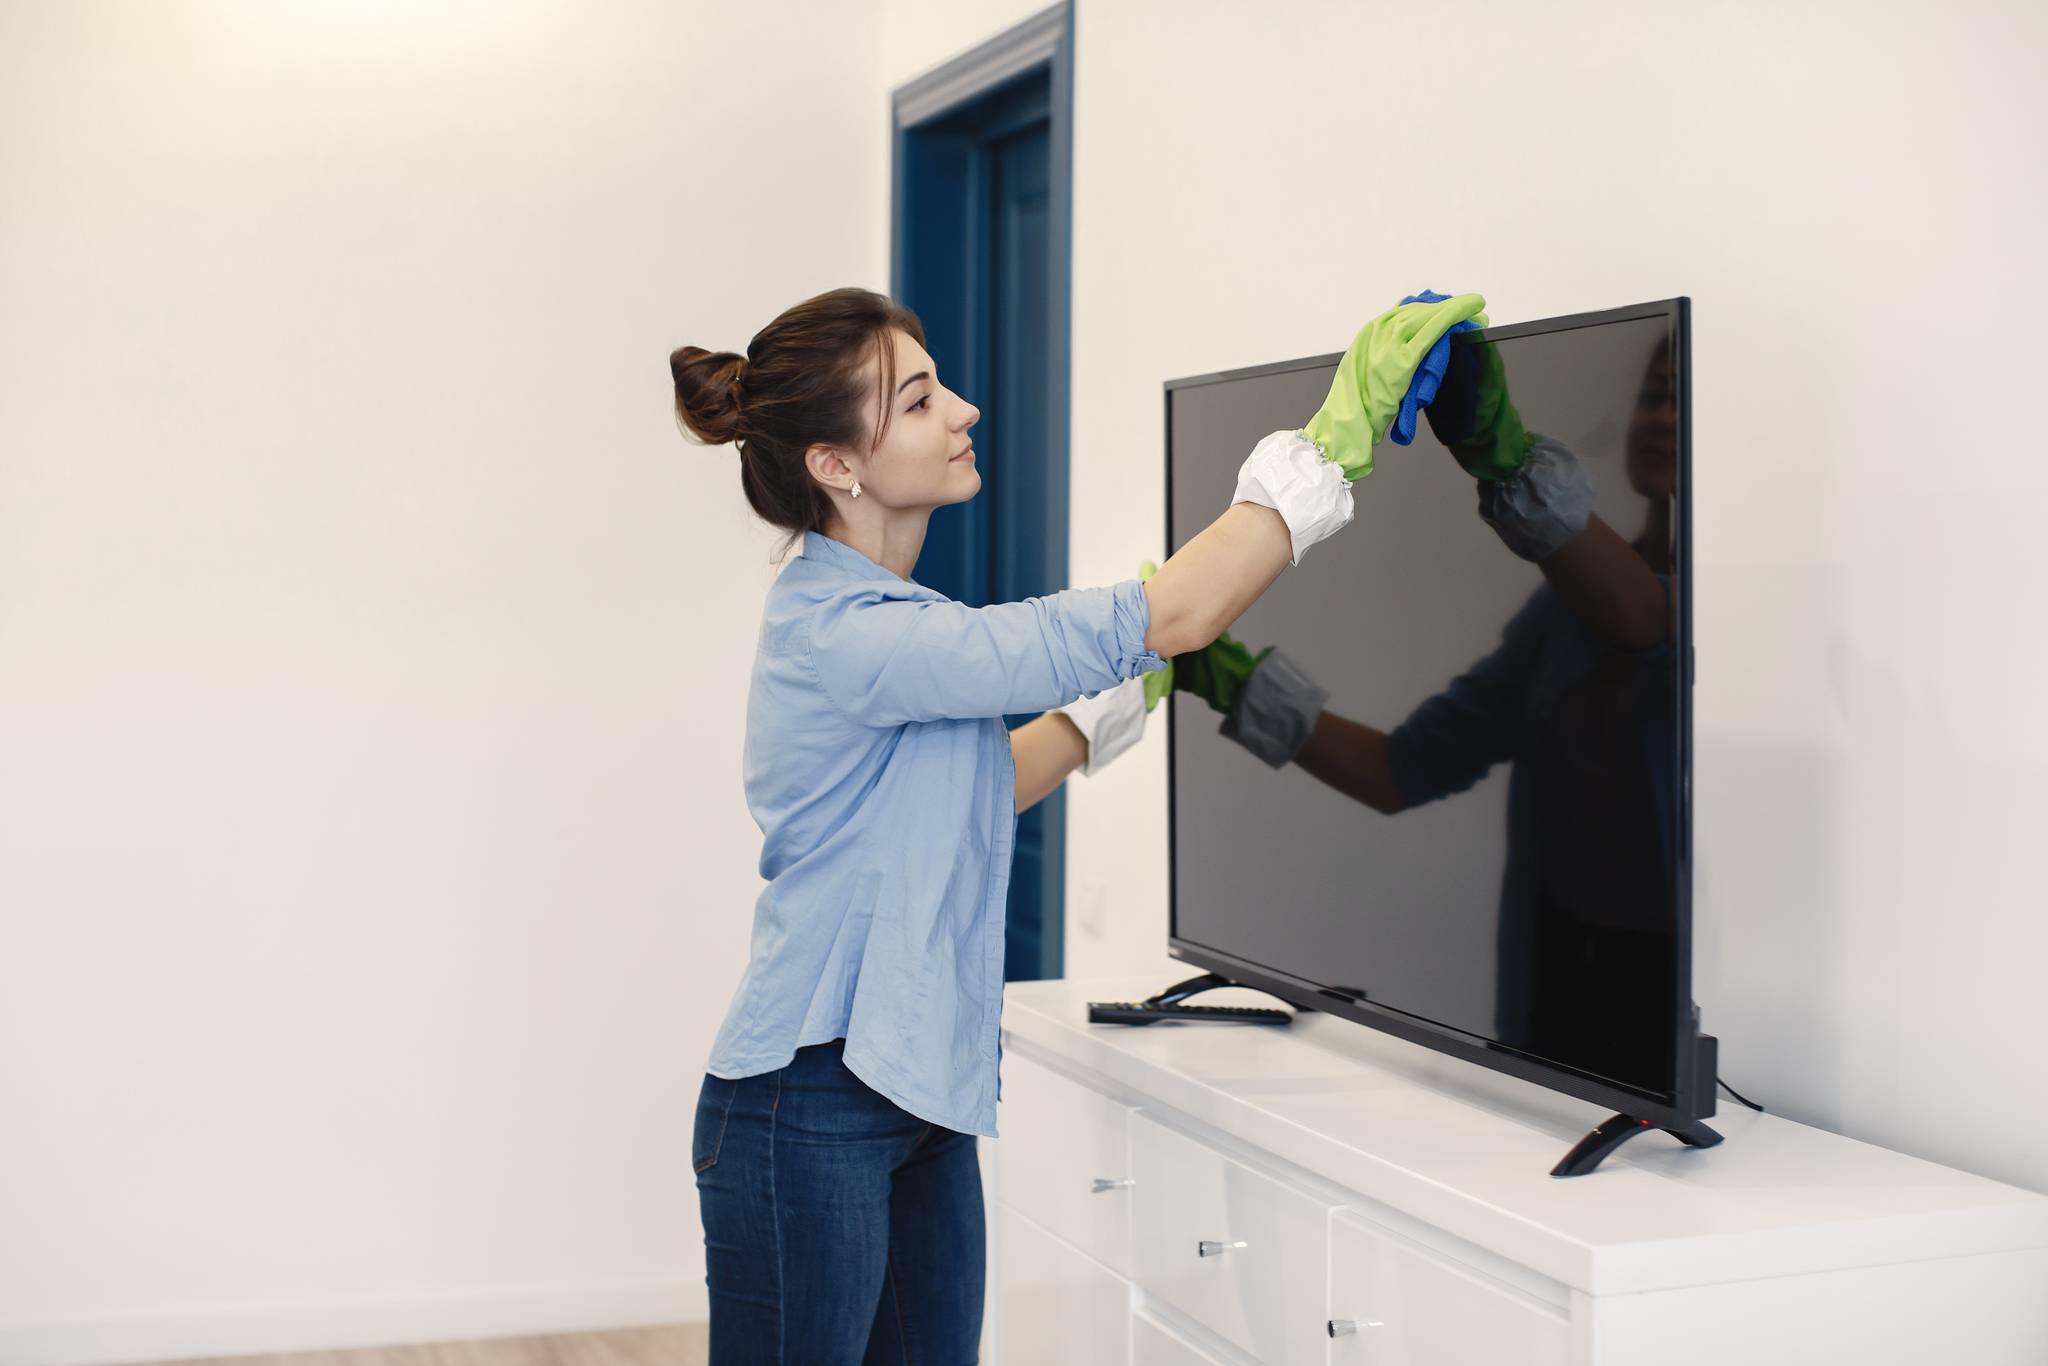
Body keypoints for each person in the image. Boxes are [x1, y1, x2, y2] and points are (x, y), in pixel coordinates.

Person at [668, 284, 1484, 1363]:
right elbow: (1175, 608)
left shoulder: (901, 627)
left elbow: (964, 794)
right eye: (917, 402)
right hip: (804, 1103)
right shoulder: (843, 631)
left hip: (914, 1088)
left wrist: (1126, 694)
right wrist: (1330, 441)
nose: (961, 409)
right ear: (836, 464)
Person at [1173, 336, 1682, 1088]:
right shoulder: (1559, 618)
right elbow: (1400, 770)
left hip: (1665, 998)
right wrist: (1225, 676)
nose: (1661, 417)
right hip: (1550, 983)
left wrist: (1503, 459)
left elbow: (1644, 618)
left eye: (1680, 398)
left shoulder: (1713, 608)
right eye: (1650, 395)